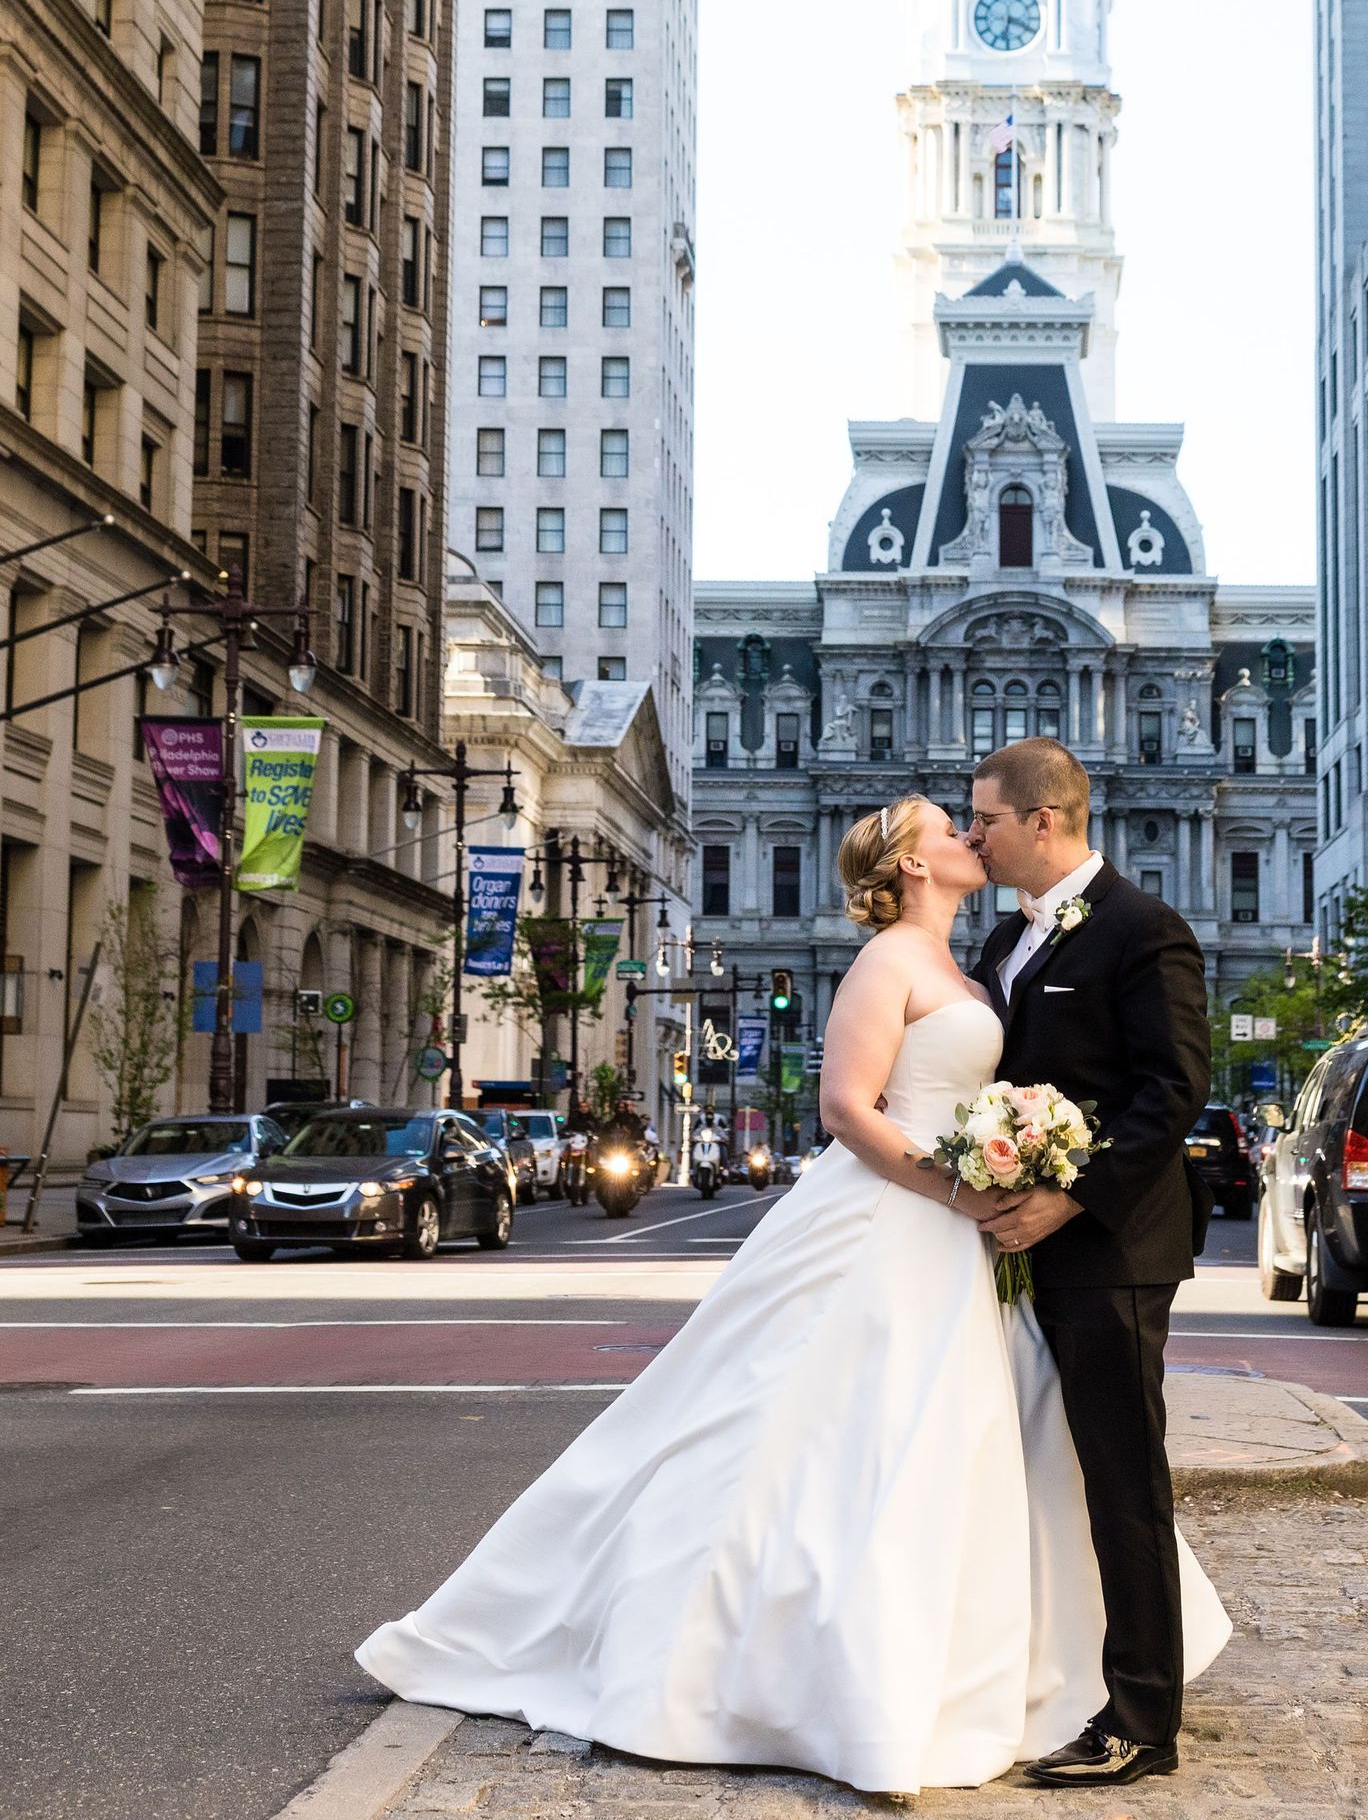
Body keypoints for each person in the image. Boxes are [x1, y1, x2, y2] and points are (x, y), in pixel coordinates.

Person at [355, 795, 1225, 1794]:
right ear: (908, 865)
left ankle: (994, 1669)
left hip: (964, 1239)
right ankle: (806, 1671)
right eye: (949, 827)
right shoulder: (891, 959)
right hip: (901, 1219)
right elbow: (845, 1108)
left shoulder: (979, 957)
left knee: (967, 1440)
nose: (966, 835)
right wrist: (961, 1184)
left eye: (975, 819)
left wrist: (1022, 1162)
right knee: (829, 1435)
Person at [969, 738, 1214, 1788]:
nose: (971, 834)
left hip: (1112, 1248)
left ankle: (1144, 1721)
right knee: (1044, 1477)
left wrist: (1071, 1195)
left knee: (1123, 1482)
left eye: (983, 818)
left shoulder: (1142, 929)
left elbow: (1172, 1089)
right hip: (1022, 1250)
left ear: (1043, 820)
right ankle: (1056, 1680)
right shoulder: (1001, 941)